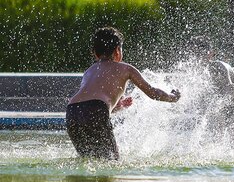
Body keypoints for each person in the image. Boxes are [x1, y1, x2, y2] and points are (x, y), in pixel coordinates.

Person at [66, 27, 181, 160]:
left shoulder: (89, 71)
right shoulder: (126, 69)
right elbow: (153, 93)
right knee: (112, 161)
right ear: (117, 51)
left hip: (72, 111)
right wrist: (172, 97)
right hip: (97, 109)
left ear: (96, 54)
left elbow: (90, 104)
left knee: (88, 159)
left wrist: (118, 106)